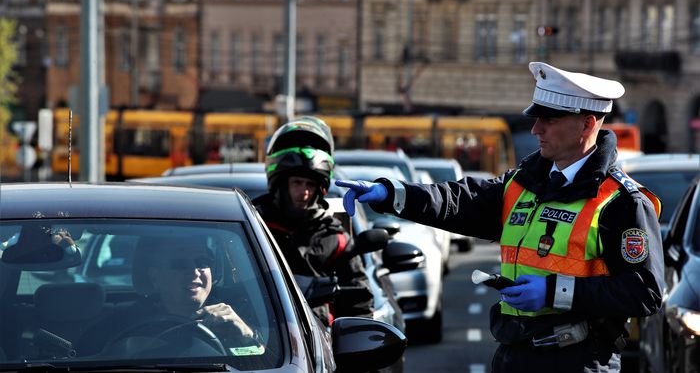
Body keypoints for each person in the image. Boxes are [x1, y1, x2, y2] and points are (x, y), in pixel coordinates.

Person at [336, 62, 664, 372]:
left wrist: (554, 292)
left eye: (548, 119)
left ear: (587, 123)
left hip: (578, 360)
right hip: (514, 355)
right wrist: (392, 194)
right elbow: (458, 202)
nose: (536, 129)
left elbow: (644, 291)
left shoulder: (622, 202)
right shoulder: (524, 182)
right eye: (537, 118)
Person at [253, 117, 373, 326]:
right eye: (297, 183)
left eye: (310, 184)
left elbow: (359, 303)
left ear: (320, 189)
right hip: (260, 342)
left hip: (321, 347)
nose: (305, 192)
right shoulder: (255, 228)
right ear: (280, 184)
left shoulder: (337, 240)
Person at [116, 236, 262, 356]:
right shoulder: (123, 326)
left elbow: (265, 364)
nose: (194, 272)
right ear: (155, 277)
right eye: (179, 264)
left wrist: (246, 336)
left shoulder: (242, 315)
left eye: (202, 262)